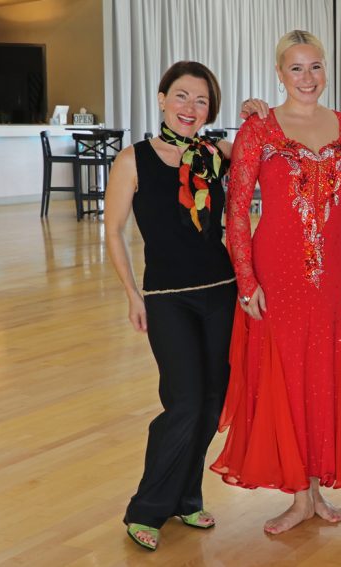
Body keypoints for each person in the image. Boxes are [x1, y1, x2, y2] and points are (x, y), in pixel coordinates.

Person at [210, 30, 341, 535]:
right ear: (279, 73)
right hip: (277, 275)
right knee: (287, 376)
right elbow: (236, 210)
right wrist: (246, 281)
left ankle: (315, 489)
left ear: (325, 70)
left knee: (325, 376)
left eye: (315, 67)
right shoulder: (259, 131)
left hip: (336, 278)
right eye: (296, 68)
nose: (307, 78)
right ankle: (297, 495)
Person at [104, 61, 265, 551]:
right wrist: (133, 293)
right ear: (161, 99)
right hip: (167, 299)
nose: (190, 108)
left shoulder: (215, 154)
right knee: (185, 401)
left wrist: (255, 118)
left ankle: (186, 498)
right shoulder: (133, 160)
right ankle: (146, 508)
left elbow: (266, 156)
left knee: (213, 402)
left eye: (200, 100)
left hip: (221, 291)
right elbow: (112, 230)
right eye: (181, 96)